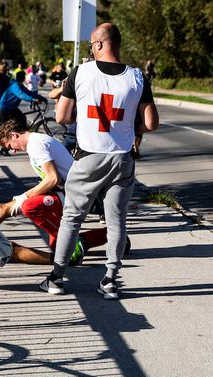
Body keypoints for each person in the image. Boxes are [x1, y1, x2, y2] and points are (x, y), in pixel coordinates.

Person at [42, 23, 159, 300]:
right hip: (121, 159)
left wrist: (84, 123)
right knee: (117, 222)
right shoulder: (137, 77)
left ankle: (57, 278)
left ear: (97, 45)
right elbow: (151, 123)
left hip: (88, 157)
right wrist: (129, 129)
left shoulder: (81, 73)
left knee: (72, 219)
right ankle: (110, 281)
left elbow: (62, 117)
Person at [0, 119, 109, 265]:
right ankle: (111, 236)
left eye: (11, 146)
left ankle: (73, 241)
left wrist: (23, 197)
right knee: (56, 247)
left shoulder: (36, 145)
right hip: (67, 189)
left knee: (29, 206)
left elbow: (53, 179)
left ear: (14, 135)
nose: (14, 151)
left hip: (73, 193)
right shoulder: (36, 142)